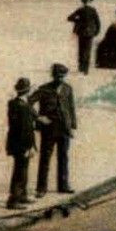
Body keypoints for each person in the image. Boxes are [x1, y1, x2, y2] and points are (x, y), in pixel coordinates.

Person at [31, 63, 76, 197]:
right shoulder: (44, 89)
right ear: (53, 75)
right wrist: (38, 117)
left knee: (63, 158)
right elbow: (28, 102)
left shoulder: (68, 89)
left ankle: (63, 186)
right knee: (45, 158)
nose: (60, 79)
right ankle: (41, 188)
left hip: (64, 129)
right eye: (58, 76)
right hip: (49, 129)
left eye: (62, 76)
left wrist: (72, 126)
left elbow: (71, 108)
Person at [5, 77, 36, 208]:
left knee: (23, 169)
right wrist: (28, 146)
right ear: (28, 91)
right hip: (22, 144)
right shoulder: (22, 106)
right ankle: (14, 200)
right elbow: (25, 129)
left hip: (16, 142)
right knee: (20, 171)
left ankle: (22, 196)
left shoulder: (15, 103)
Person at [68, 0, 101, 75]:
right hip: (90, 33)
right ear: (90, 2)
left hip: (81, 33)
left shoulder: (80, 10)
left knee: (81, 50)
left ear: (83, 2)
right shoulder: (93, 10)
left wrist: (78, 20)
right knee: (87, 51)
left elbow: (69, 18)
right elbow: (98, 22)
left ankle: (81, 68)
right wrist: (96, 32)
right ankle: (86, 69)